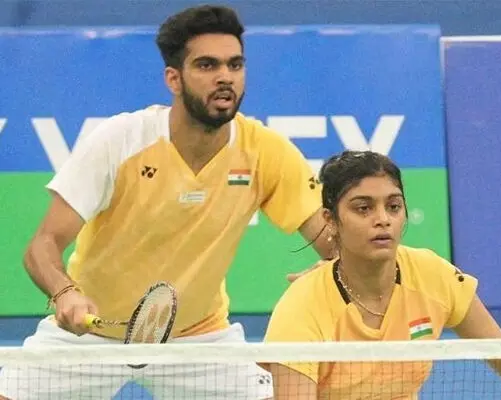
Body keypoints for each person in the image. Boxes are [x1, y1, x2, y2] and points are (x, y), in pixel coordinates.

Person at [0, 4, 333, 400]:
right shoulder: (121, 141)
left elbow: (331, 240)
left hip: (198, 337)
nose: (225, 77)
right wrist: (64, 293)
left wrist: (337, 264)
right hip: (92, 334)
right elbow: (42, 245)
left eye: (235, 64)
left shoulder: (265, 151)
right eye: (207, 65)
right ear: (174, 78)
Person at [262, 150, 501, 400]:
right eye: (363, 208)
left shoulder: (432, 275)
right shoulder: (302, 308)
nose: (382, 219)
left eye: (393, 206)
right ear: (330, 221)